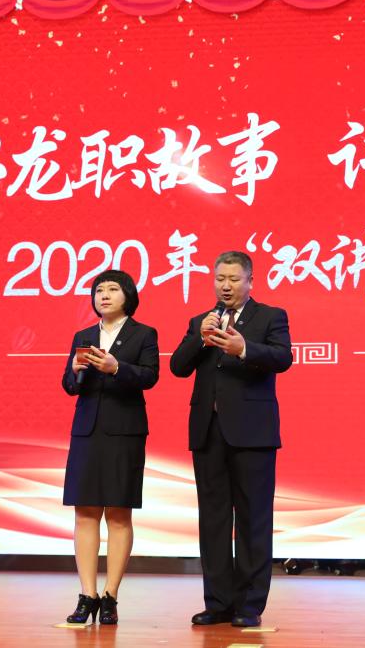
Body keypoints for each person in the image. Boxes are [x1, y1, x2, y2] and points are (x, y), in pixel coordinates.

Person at [170, 251, 293, 628]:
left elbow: (283, 357)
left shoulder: (270, 316)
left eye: (234, 279)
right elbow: (178, 366)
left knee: (254, 518)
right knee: (214, 520)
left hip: (253, 433)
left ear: (250, 281)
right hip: (208, 432)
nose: (225, 286)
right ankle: (218, 602)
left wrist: (244, 349)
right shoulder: (201, 321)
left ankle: (249, 605)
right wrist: (201, 339)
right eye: (220, 278)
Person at [61, 269, 159, 625]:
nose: (104, 295)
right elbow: (69, 385)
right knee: (85, 513)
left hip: (124, 433)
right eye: (99, 290)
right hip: (87, 432)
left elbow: (150, 376)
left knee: (118, 514)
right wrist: (76, 370)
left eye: (113, 289)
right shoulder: (84, 336)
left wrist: (118, 368)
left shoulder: (144, 334)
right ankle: (86, 594)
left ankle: (110, 596)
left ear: (128, 296)